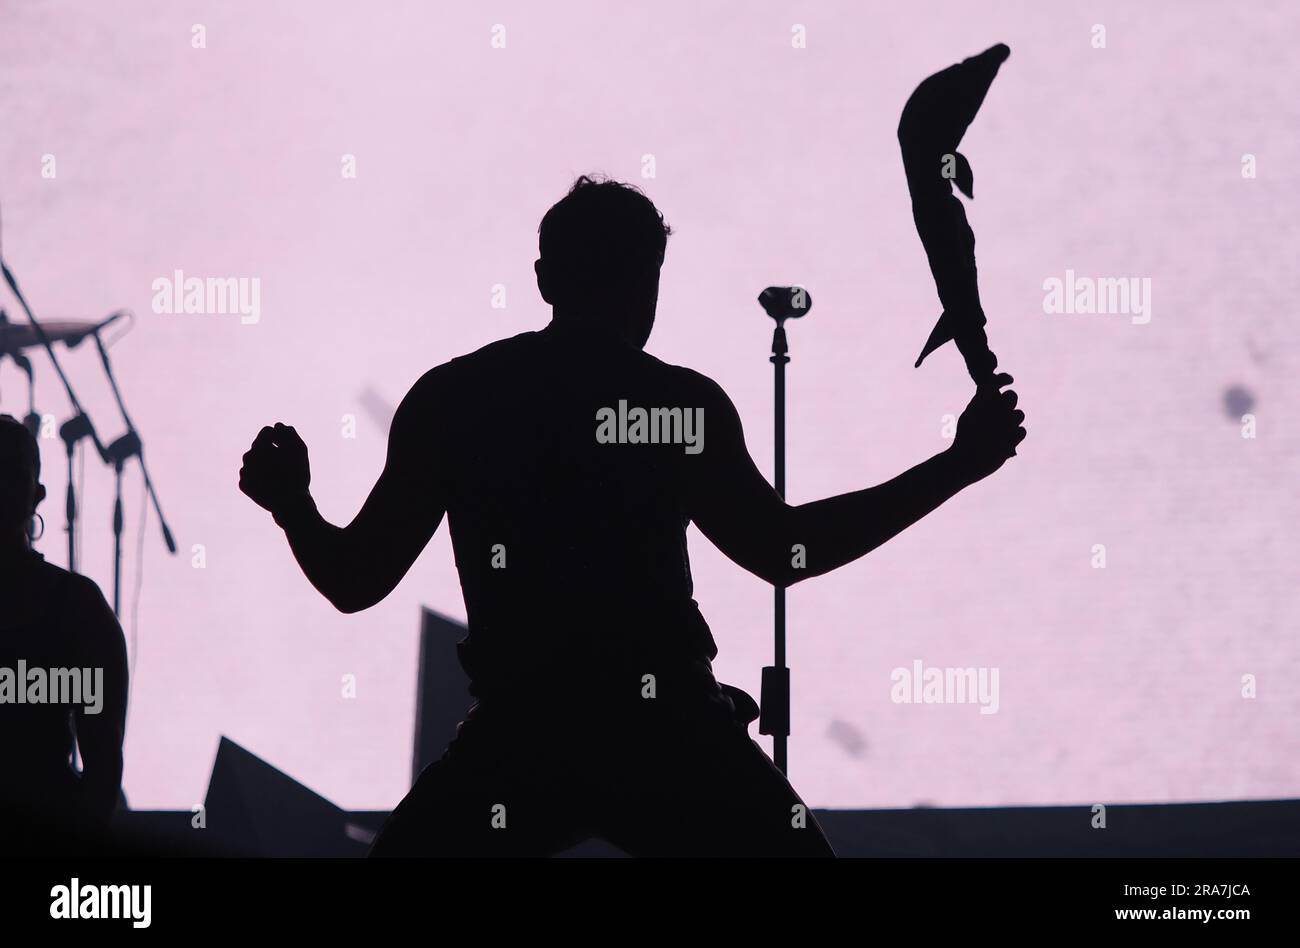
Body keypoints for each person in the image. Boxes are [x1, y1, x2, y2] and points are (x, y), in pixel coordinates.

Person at [239, 175, 1025, 856]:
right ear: (647, 281)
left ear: (546, 279)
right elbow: (787, 550)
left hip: (523, 734)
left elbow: (355, 579)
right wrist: (956, 465)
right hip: (667, 733)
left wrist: (294, 506)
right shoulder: (677, 405)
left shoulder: (456, 400)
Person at [0, 414, 129, 853]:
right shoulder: (77, 606)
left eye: (8, 471)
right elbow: (101, 775)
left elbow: (102, 776)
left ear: (35, 494)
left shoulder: (78, 607)